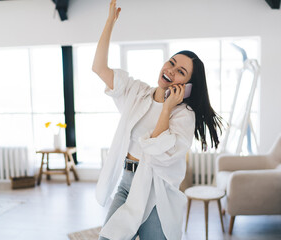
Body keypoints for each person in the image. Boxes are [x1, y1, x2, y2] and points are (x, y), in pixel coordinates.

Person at [92, 0, 223, 239]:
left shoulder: (184, 114)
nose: (171, 70)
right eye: (171, 63)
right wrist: (110, 22)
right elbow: (99, 68)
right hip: (126, 183)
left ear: (188, 86)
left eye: (180, 72)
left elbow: (157, 151)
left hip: (156, 193)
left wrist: (167, 108)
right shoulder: (137, 92)